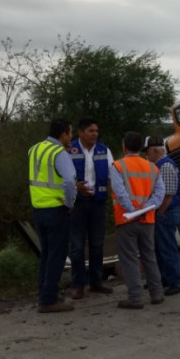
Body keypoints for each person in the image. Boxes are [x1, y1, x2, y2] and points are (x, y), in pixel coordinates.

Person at [110, 132, 165, 309]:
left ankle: (135, 298)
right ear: (141, 148)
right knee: (149, 256)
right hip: (148, 219)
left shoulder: (118, 166)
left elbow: (120, 192)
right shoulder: (152, 168)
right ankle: (157, 294)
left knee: (130, 259)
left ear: (124, 147)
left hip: (126, 220)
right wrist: (148, 207)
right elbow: (160, 193)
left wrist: (133, 210)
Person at [28, 119, 77, 313]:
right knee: (57, 256)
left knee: (47, 255)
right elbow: (69, 183)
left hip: (38, 209)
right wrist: (71, 202)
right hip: (56, 209)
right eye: (70, 133)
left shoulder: (34, 149)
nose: (71, 137)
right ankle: (49, 300)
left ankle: (45, 294)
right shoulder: (59, 153)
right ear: (64, 134)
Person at [66, 118, 114, 300]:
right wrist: (74, 188)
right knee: (77, 246)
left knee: (97, 244)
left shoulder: (104, 150)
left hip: (97, 202)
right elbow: (62, 176)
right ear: (80, 132)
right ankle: (78, 285)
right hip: (76, 203)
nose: (95, 134)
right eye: (91, 131)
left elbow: (111, 175)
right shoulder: (69, 150)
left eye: (96, 131)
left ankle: (96, 282)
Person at [145, 136, 180, 296]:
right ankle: (164, 279)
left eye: (147, 153)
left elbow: (168, 194)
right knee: (161, 248)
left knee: (167, 248)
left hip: (166, 212)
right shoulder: (161, 164)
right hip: (164, 211)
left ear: (154, 150)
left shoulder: (165, 165)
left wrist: (160, 212)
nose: (147, 157)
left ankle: (174, 281)